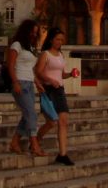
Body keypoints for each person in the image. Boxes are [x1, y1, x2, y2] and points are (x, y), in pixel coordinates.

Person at [34, 26, 76, 165]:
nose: (59, 42)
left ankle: (63, 154)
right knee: (51, 122)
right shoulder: (45, 54)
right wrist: (50, 80)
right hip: (48, 90)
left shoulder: (61, 56)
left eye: (62, 40)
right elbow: (38, 72)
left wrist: (71, 74)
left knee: (63, 122)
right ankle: (37, 138)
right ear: (51, 40)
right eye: (57, 39)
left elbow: (61, 74)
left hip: (59, 90)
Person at [7, 18, 45, 156]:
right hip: (20, 82)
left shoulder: (31, 47)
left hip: (29, 83)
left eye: (36, 33)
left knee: (28, 114)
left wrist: (37, 82)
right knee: (31, 114)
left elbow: (30, 69)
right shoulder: (16, 45)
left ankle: (15, 141)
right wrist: (15, 82)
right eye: (32, 32)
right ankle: (34, 145)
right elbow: (10, 65)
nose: (34, 35)